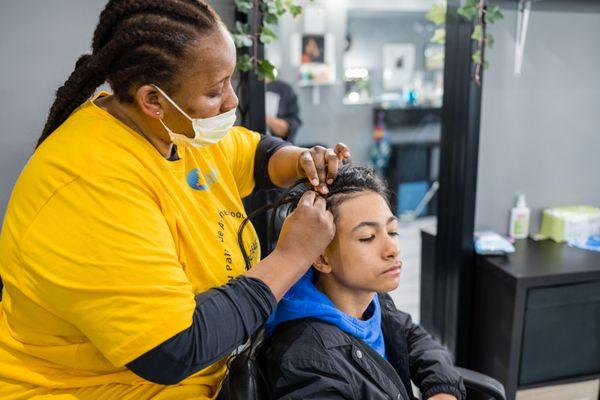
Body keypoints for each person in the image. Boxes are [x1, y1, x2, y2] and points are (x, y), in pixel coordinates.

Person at [0, 1, 350, 399]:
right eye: (216, 90)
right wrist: (292, 256)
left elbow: (253, 154)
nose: (232, 101)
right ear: (154, 100)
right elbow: (172, 348)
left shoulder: (175, 130)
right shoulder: (90, 183)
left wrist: (300, 159)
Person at [263, 165, 466, 400]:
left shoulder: (373, 300)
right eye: (368, 237)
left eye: (392, 231)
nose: (392, 249)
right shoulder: (305, 361)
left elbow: (414, 338)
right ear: (320, 257)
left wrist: (442, 390)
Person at [265, 79, 301, 143]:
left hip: (277, 145)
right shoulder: (244, 87)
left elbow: (292, 126)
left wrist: (266, 119)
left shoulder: (285, 89)